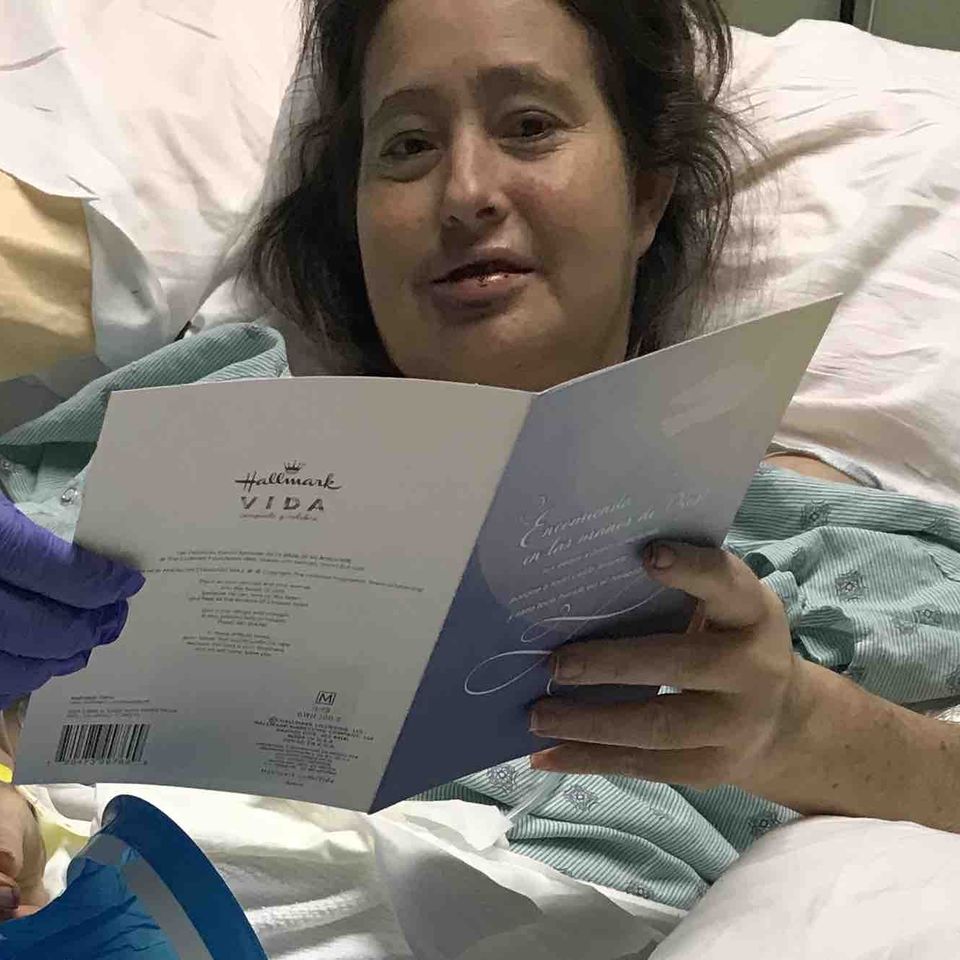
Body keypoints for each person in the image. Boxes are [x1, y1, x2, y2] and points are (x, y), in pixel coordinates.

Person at [2, 0, 959, 916]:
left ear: (646, 192)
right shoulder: (193, 425)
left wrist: (796, 725)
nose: (465, 192)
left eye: (530, 126)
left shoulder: (802, 542)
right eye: (407, 146)